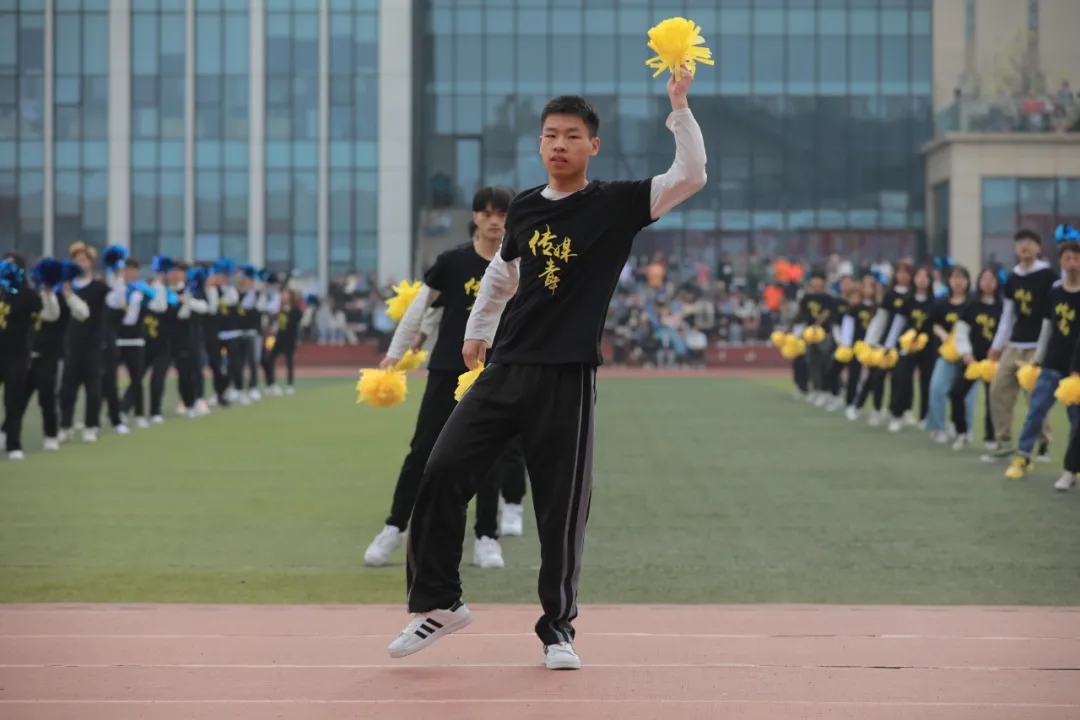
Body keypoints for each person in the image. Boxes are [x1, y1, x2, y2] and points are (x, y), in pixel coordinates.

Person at [387, 70, 706, 670]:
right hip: (506, 367)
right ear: (539, 144)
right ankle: (440, 603)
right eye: (551, 135)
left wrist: (679, 105)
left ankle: (557, 629)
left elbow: (690, 175)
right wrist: (479, 331)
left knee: (561, 510)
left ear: (593, 146)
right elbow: (501, 274)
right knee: (441, 470)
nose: (559, 144)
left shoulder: (615, 204)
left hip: (567, 375)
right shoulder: (526, 208)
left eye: (572, 135)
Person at [364, 186, 519, 571]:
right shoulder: (452, 262)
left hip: (495, 371)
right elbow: (420, 310)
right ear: (475, 217)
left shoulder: (517, 265)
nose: (495, 221)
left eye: (502, 213)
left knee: (490, 457)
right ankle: (394, 528)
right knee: (423, 452)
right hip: (448, 369)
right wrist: (395, 354)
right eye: (487, 213)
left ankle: (486, 537)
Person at [1003, 239, 1080, 481]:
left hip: (1077, 369)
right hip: (1051, 363)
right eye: (1067, 258)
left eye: (1076, 258)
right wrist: (1037, 359)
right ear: (1061, 261)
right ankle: (1023, 457)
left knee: (1076, 421)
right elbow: (1047, 327)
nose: (1072, 263)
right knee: (1036, 411)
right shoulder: (1055, 292)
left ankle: (1073, 468)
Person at [984, 229, 1056, 461]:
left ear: (1038, 247)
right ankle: (1003, 442)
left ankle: (1042, 445)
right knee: (998, 390)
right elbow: (1007, 316)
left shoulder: (1048, 276)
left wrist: (1047, 348)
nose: (1024, 246)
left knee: (1036, 398)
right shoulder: (1012, 278)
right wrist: (996, 346)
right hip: (1014, 344)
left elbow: (1053, 314)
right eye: (1020, 242)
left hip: (1038, 345)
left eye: (1029, 242)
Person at [950, 268, 1003, 450]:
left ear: (996, 283)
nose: (987, 282)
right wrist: (966, 353)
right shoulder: (970, 305)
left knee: (992, 399)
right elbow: (961, 331)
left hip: (993, 361)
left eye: (991, 279)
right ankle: (961, 432)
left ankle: (991, 438)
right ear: (979, 282)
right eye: (984, 279)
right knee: (956, 392)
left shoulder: (1002, 306)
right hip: (972, 359)